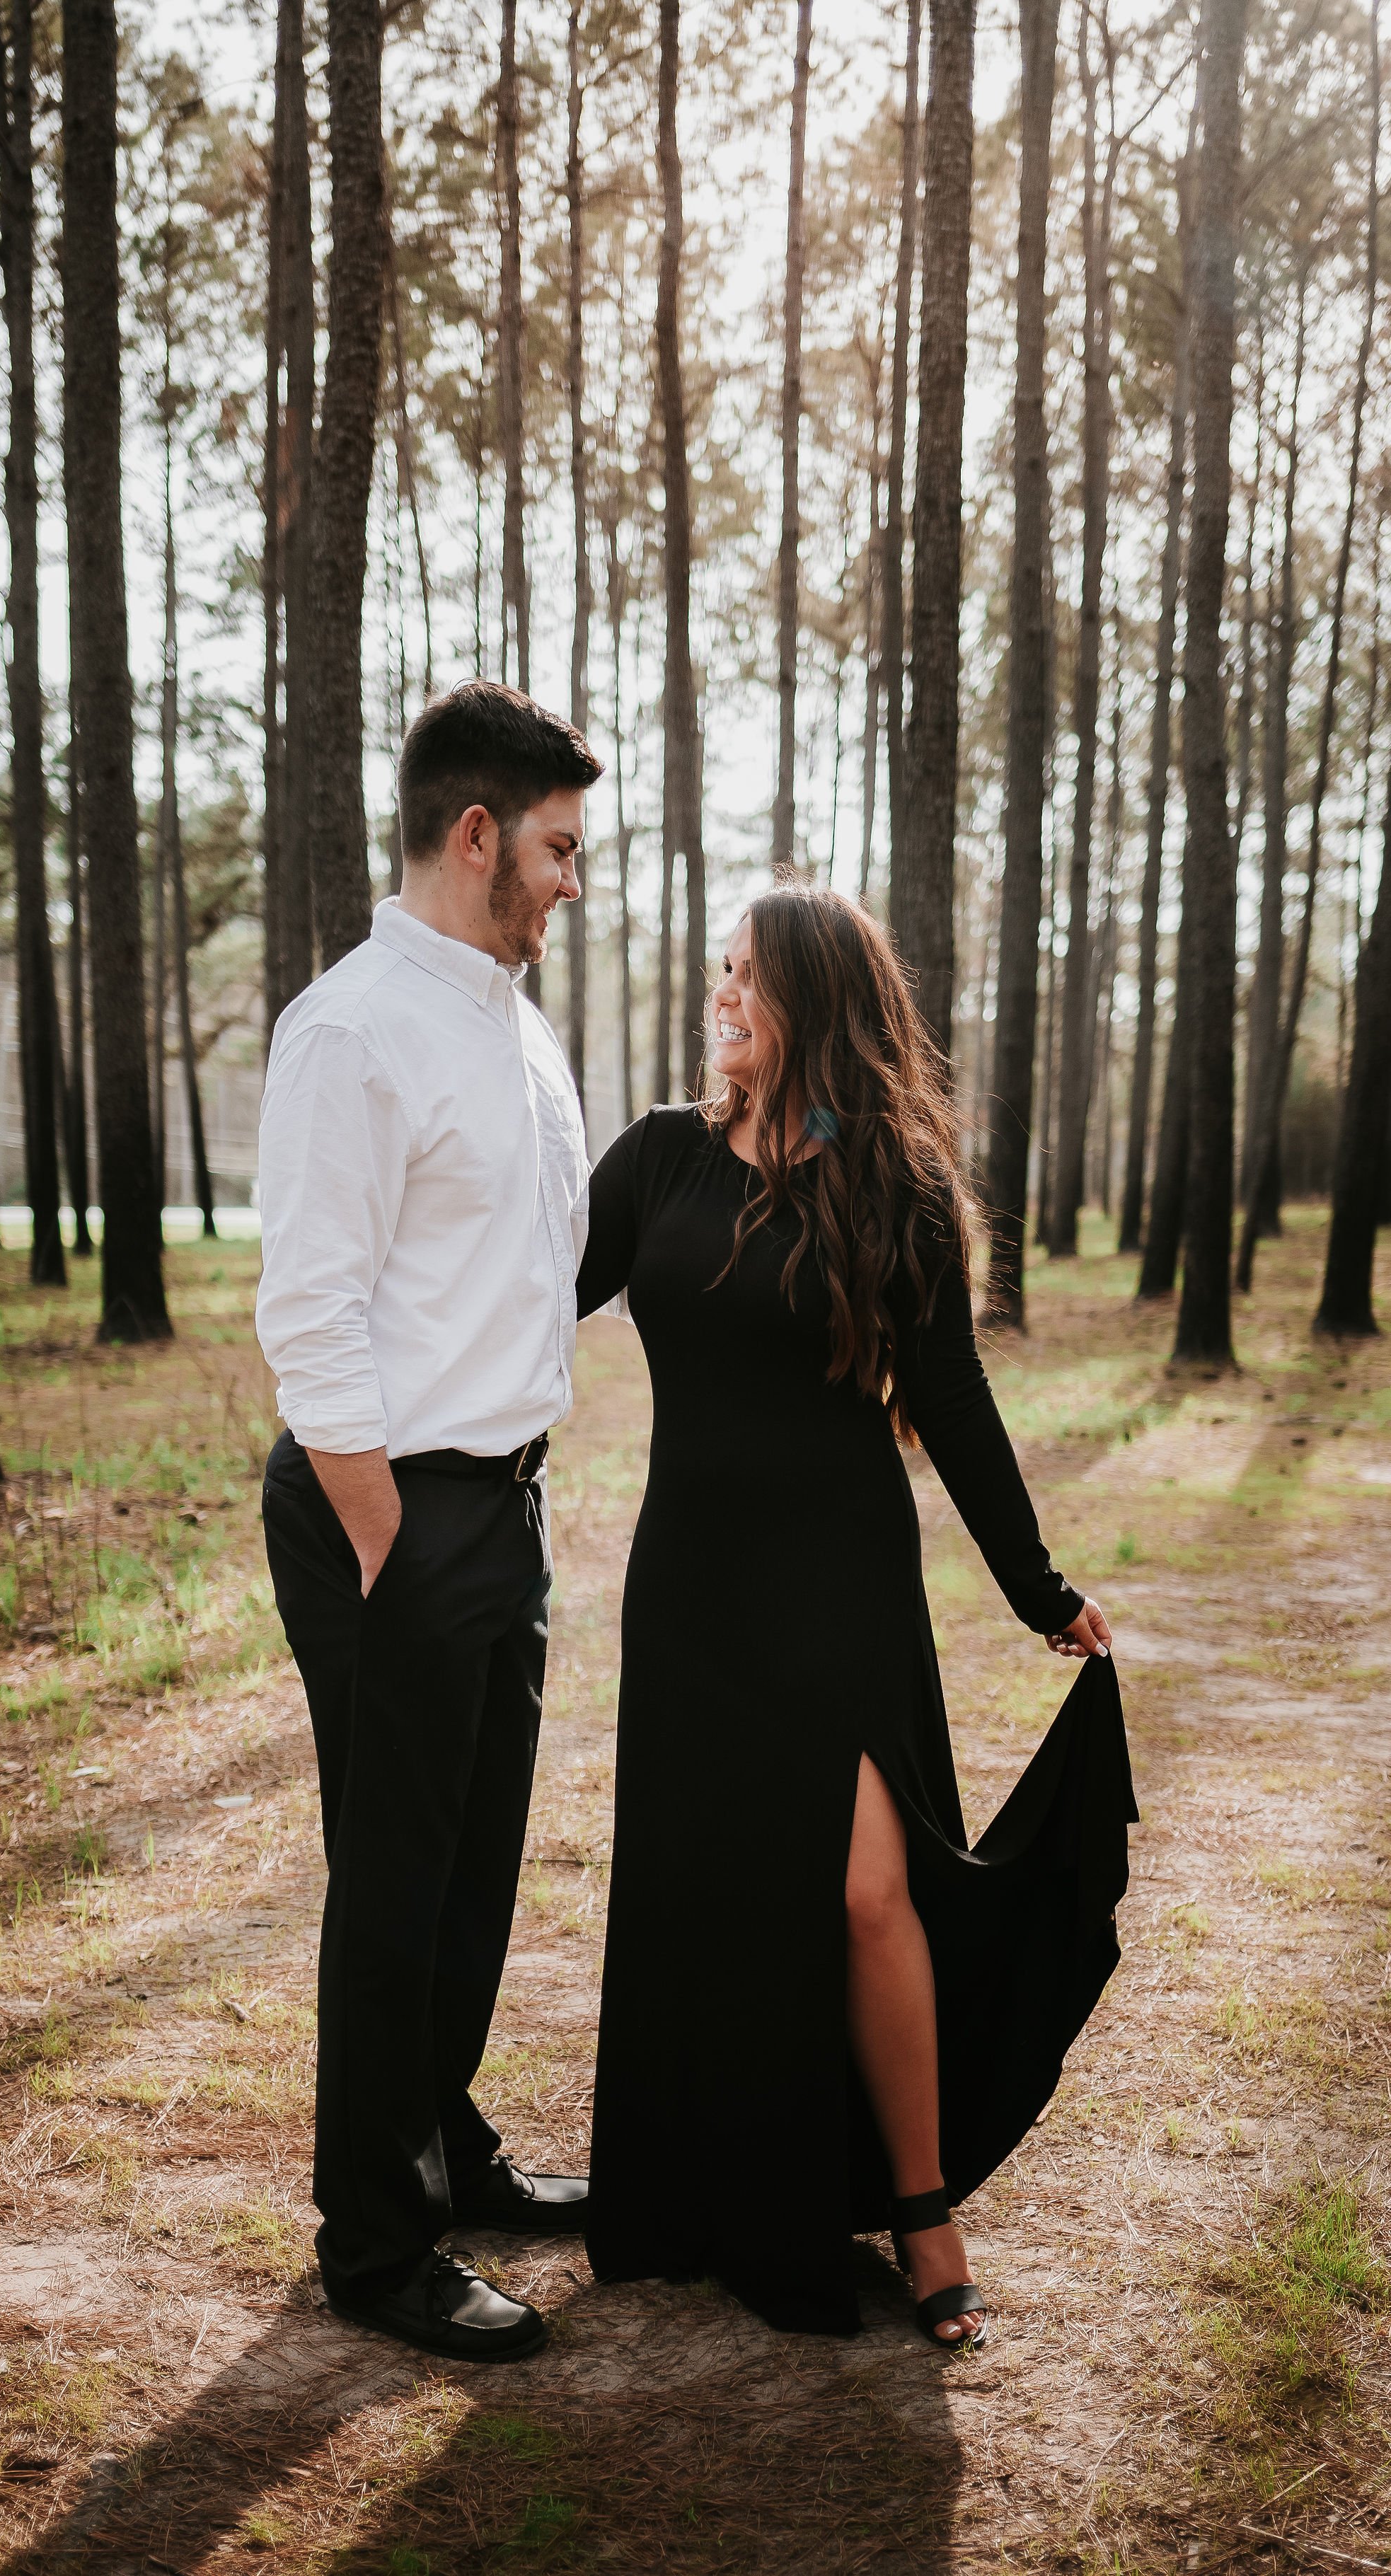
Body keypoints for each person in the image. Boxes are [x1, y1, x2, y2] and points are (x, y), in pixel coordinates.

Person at [576, 886, 1136, 2344]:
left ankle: (920, 2206)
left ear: (813, 1002)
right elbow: (525, 1308)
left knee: (867, 1894)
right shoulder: (653, 1161)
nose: (720, 995)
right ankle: (715, 2194)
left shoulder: (892, 1185)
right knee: (708, 1891)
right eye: (719, 971)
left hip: (838, 1586)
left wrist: (1039, 1591)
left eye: (744, 976)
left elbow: (951, 1403)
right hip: (689, 1582)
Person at [256, 682, 602, 2363]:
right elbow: (311, 1313)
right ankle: (376, 2247)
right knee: (395, 1887)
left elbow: (527, 1263)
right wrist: (386, 1529)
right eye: (553, 849)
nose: (569, 881)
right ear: (476, 835)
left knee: (471, 1881)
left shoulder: (518, 1027)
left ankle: (443, 2147)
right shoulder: (352, 1028)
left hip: (502, 1509)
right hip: (390, 1517)